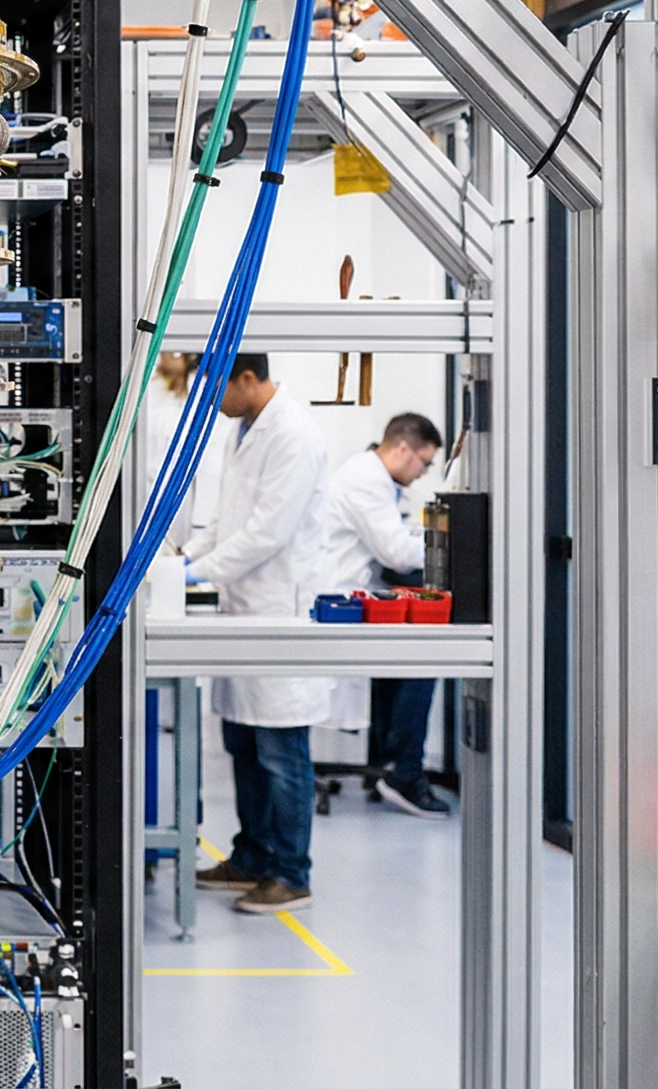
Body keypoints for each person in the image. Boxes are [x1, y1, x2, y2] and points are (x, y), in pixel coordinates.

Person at [180, 353, 329, 915]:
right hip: (242, 610)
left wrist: (202, 573)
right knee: (243, 741)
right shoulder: (242, 430)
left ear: (247, 378)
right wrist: (181, 557)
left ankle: (291, 874)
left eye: (214, 387)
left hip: (278, 612)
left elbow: (268, 532)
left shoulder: (293, 435)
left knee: (282, 751)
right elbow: (225, 521)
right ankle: (251, 857)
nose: (208, 400)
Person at [311, 412, 449, 819]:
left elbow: (395, 541)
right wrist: (446, 543)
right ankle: (403, 772)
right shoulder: (365, 480)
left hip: (350, 598)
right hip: (340, 604)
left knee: (403, 657)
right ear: (403, 449)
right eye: (423, 463)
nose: (422, 473)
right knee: (424, 656)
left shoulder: (370, 476)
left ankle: (389, 765)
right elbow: (398, 554)